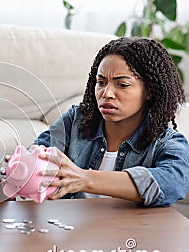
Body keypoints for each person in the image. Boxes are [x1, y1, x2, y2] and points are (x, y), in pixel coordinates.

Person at [34, 37, 189, 207]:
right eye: (101, 82)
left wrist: (85, 178)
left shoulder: (167, 143)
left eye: (122, 85)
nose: (107, 93)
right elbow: (38, 155)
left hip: (131, 232)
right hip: (69, 229)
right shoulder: (76, 120)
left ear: (150, 91)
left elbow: (173, 183)